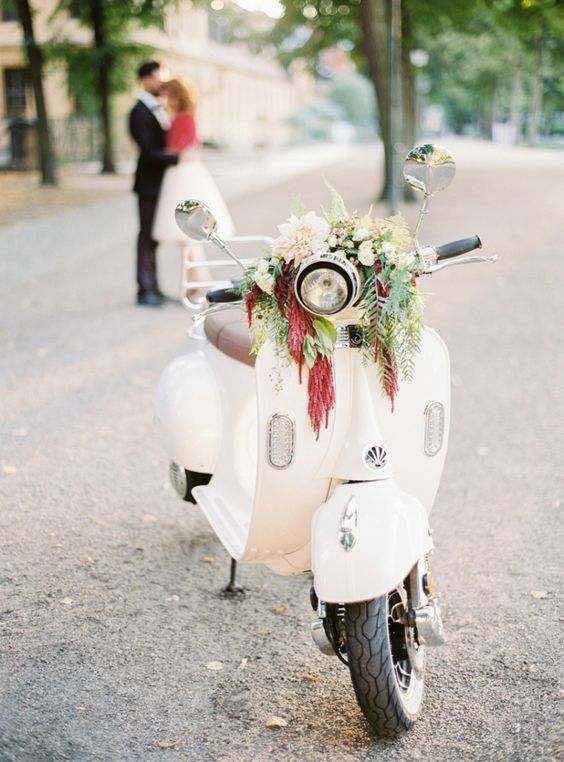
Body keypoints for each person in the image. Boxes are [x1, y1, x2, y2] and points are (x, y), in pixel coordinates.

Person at [152, 77, 235, 302]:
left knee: (187, 235)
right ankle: (192, 286)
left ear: (177, 97)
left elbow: (175, 149)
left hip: (183, 177)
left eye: (168, 96)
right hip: (188, 174)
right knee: (186, 238)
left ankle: (200, 285)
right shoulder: (186, 118)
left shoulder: (181, 119)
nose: (165, 101)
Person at [129, 61, 179, 307]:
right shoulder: (138, 112)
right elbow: (148, 151)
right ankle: (144, 289)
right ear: (146, 80)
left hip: (160, 182)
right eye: (159, 78)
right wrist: (177, 157)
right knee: (146, 236)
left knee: (155, 236)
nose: (162, 82)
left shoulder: (156, 108)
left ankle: (154, 287)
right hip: (148, 183)